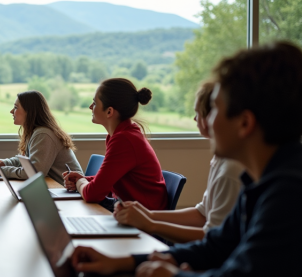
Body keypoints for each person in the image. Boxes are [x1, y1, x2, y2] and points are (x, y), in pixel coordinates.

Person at [70, 41, 302, 277]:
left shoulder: (287, 193)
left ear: (244, 123)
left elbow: (241, 273)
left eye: (215, 110)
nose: (207, 122)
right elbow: (216, 245)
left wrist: (172, 275)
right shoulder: (258, 179)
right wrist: (123, 262)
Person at [113, 82, 243, 244]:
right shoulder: (220, 159)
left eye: (199, 112)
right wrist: (147, 214)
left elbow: (215, 242)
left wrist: (151, 225)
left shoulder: (231, 170)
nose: (195, 118)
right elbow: (202, 214)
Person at [63, 78, 168, 211]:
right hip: (129, 210)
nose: (90, 107)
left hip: (142, 218)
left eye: (94, 103)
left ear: (109, 112)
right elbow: (113, 179)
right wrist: (85, 180)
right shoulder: (123, 134)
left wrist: (80, 182)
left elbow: (92, 195)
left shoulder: (124, 140)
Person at [0, 91, 82, 185]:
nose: (11, 111)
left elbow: (34, 172)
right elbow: (27, 160)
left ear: (29, 111)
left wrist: (1, 170)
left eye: (16, 107)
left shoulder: (43, 134)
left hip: (66, 191)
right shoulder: (35, 132)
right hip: (55, 188)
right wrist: (4, 163)